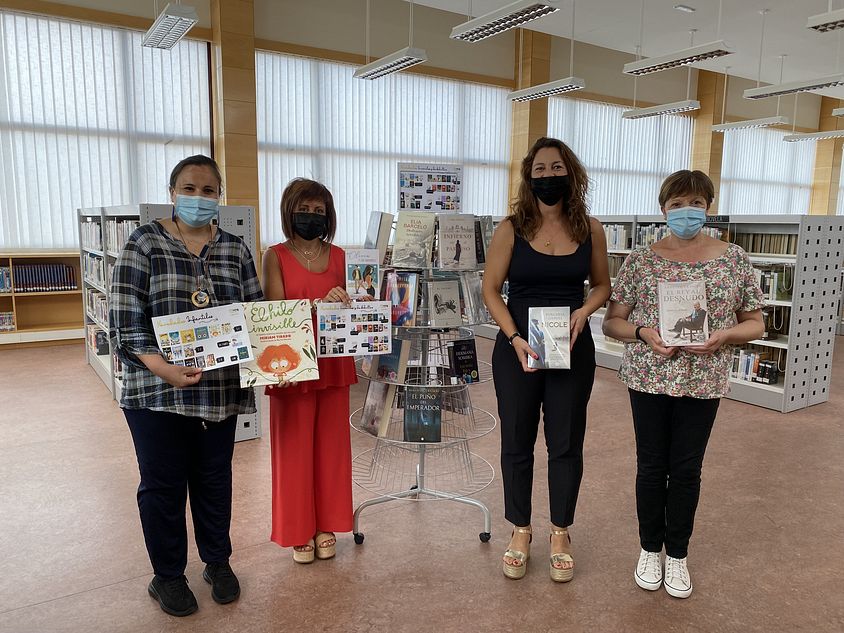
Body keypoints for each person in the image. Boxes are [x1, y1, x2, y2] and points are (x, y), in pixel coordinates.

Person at [110, 155, 263, 617]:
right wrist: (165, 370)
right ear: (173, 191)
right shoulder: (145, 243)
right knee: (163, 486)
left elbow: (255, 318)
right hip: (156, 392)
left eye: (209, 190)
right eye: (189, 188)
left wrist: (278, 355)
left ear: (220, 195)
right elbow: (125, 321)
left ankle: (217, 562)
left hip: (218, 394)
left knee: (215, 481)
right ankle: (168, 576)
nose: (199, 198)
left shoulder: (236, 249)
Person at [602, 170, 764, 599]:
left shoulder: (734, 259)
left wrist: (724, 336)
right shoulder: (641, 259)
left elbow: (756, 322)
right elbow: (612, 322)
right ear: (663, 210)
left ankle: (677, 554)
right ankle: (648, 549)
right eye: (676, 204)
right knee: (652, 466)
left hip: (704, 379)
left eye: (694, 203)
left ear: (708, 206)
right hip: (649, 377)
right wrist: (643, 334)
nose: (685, 212)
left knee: (687, 468)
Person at [481, 137, 611, 582]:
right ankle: (520, 529)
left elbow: (601, 286)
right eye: (540, 169)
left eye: (557, 168)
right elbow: (490, 290)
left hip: (570, 348)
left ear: (570, 173)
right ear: (528, 176)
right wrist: (514, 336)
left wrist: (584, 311)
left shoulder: (590, 228)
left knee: (566, 440)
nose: (549, 176)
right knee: (516, 441)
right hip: (518, 348)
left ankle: (560, 531)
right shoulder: (509, 228)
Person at [262, 178, 357, 564]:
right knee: (294, 449)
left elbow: (358, 306)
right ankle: (298, 527)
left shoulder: (341, 257)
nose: (312, 217)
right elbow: (273, 311)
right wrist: (317, 304)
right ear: (289, 210)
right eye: (305, 209)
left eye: (320, 211)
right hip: (290, 362)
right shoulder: (275, 255)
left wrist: (347, 302)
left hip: (334, 361)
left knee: (332, 448)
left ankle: (327, 524)